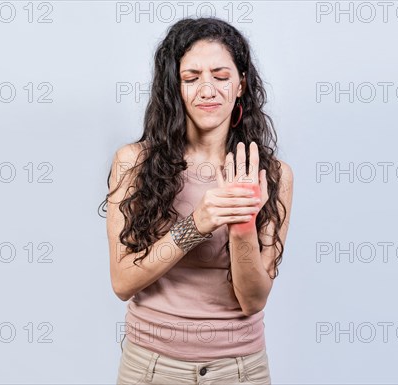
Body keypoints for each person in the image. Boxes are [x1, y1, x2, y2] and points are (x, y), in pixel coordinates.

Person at [99, 16, 294, 385]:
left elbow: (253, 301)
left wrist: (242, 227)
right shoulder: (134, 163)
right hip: (151, 368)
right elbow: (123, 282)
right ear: (175, 87)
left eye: (221, 77)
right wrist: (197, 223)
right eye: (191, 78)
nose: (207, 89)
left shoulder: (275, 175)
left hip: (240, 369)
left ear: (241, 85)